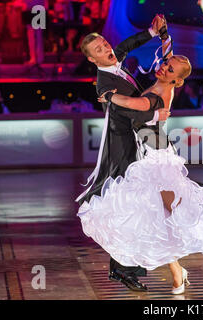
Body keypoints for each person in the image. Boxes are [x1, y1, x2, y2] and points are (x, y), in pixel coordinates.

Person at [80, 21, 203, 294]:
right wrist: (160, 34)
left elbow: (137, 105)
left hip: (157, 157)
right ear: (93, 58)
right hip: (144, 154)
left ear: (176, 80)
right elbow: (161, 55)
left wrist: (111, 98)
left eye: (169, 68)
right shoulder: (158, 77)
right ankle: (178, 271)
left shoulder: (163, 89)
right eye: (100, 48)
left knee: (177, 213)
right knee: (158, 216)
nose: (163, 67)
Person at [75, 15, 171, 292]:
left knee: (139, 205)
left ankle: (128, 264)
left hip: (137, 143)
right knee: (127, 208)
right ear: (92, 60)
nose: (106, 49)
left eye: (104, 43)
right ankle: (121, 268)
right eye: (99, 50)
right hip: (123, 150)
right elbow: (128, 110)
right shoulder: (104, 84)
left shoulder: (113, 58)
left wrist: (152, 31)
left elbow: (128, 44)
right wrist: (155, 113)